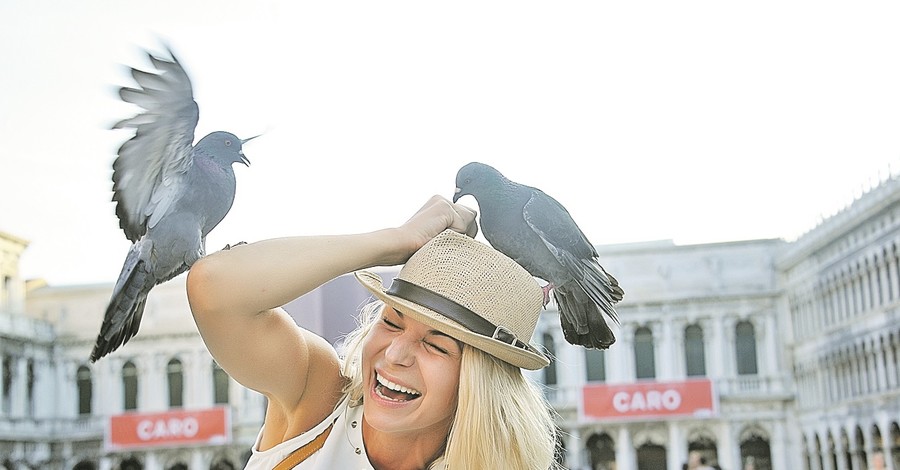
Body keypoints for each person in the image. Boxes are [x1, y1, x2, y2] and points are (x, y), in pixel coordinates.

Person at [187, 195, 562, 469]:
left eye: (436, 345)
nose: (395, 354)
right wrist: (395, 241)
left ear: (479, 381)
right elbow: (212, 288)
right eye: (391, 322)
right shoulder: (317, 399)